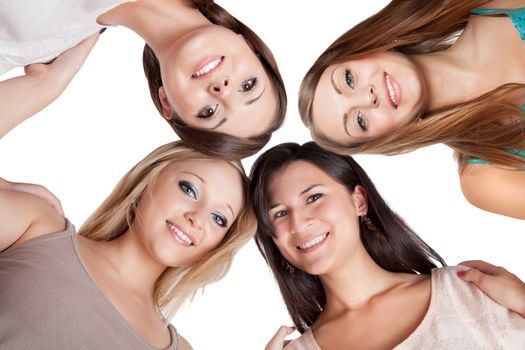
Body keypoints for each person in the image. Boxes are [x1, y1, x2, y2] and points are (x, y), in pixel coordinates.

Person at [250, 142, 525, 349]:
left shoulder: (463, 291)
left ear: (358, 201)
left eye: (313, 198)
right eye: (280, 214)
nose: (298, 223)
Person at [0, 140, 256, 349]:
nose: (197, 218)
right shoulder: (37, 225)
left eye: (219, 218)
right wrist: (44, 85)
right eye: (189, 189)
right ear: (150, 178)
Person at [298, 0, 525, 218]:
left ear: (360, 49)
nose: (368, 97)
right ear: (385, 137)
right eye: (360, 121)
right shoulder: (486, 179)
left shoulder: (488, 4)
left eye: (348, 80)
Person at [0, 0, 287, 159]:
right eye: (248, 86)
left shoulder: (38, 42)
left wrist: (44, 86)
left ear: (167, 104)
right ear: (250, 45)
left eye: (209, 112)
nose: (223, 90)